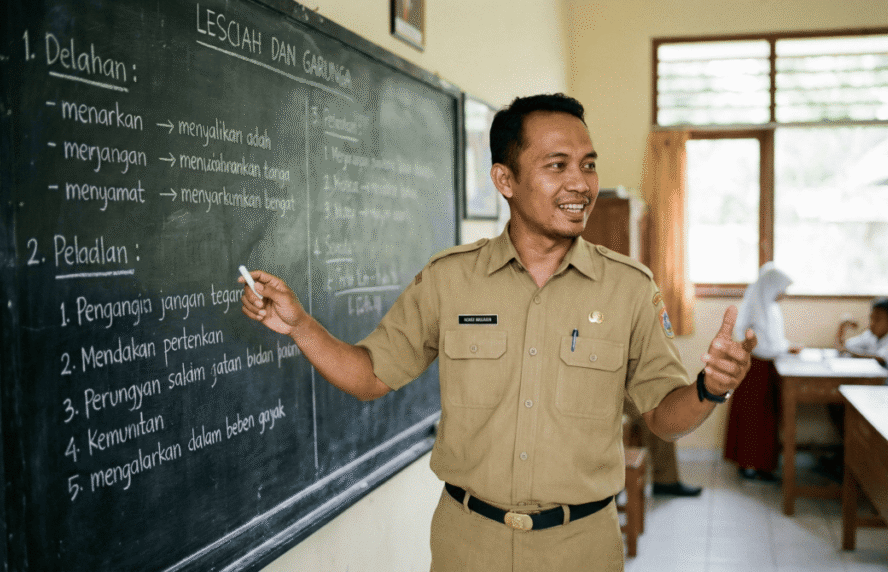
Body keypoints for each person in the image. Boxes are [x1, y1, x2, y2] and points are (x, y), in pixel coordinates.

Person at [239, 93, 757, 571]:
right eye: (558, 166)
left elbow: (664, 418)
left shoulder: (629, 288)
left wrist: (712, 386)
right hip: (469, 542)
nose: (581, 183)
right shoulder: (449, 279)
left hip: (582, 547)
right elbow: (371, 375)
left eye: (588, 165)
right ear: (505, 180)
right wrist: (301, 326)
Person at [724, 262, 797, 481]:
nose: (783, 295)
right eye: (781, 290)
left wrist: (786, 346)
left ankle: (761, 464)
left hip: (766, 366)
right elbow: (759, 344)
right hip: (754, 368)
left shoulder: (770, 308)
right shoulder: (754, 307)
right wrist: (783, 348)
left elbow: (773, 339)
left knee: (765, 419)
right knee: (753, 418)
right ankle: (748, 465)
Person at [837, 297, 888, 386]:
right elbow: (843, 347)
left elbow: (878, 359)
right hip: (882, 387)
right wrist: (842, 326)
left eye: (877, 319)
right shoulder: (871, 335)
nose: (872, 323)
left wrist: (848, 351)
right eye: (871, 318)